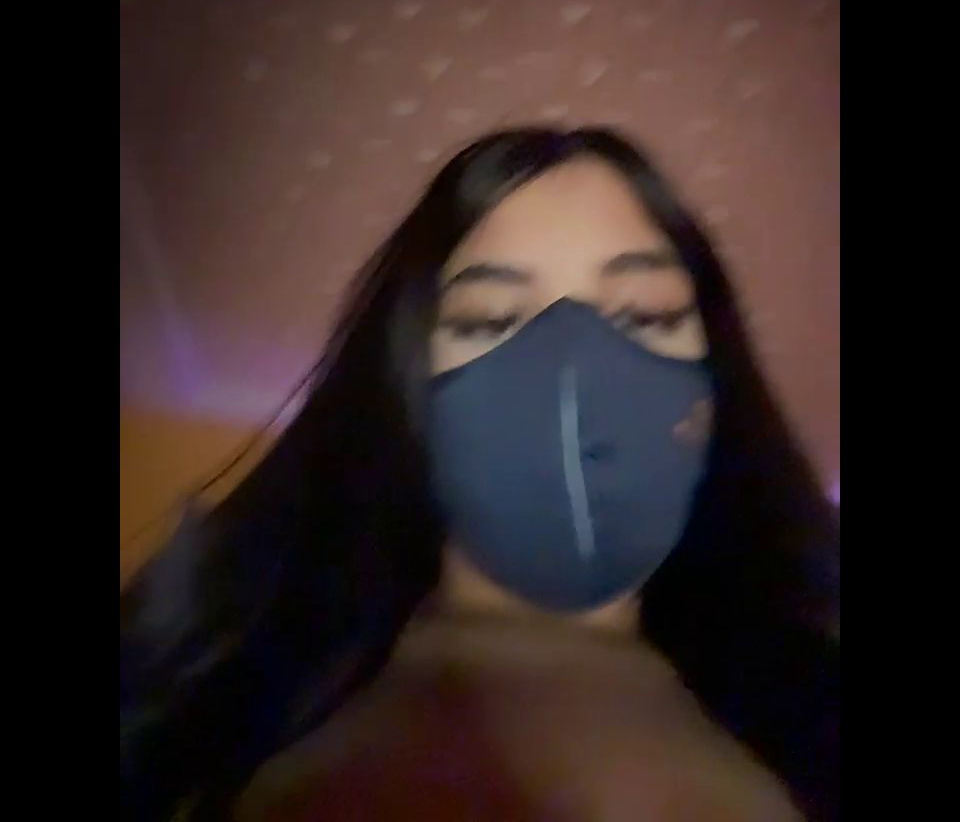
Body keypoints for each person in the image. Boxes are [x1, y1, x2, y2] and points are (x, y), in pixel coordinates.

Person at [120, 127, 840, 821]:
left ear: (715, 390)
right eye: (493, 321)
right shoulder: (253, 713)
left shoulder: (807, 714)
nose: (573, 368)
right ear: (409, 382)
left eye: (646, 316)